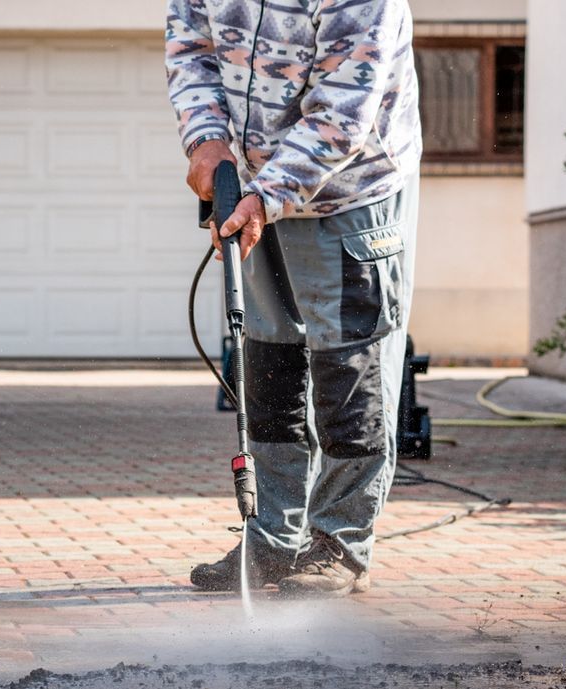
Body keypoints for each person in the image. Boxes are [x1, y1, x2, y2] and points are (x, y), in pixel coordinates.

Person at [167, 0, 421, 597]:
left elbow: (343, 110)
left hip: (351, 192)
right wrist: (205, 142)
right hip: (255, 189)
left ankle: (340, 542)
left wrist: (269, 193)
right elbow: (191, 50)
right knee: (269, 361)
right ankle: (273, 540)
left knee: (348, 368)